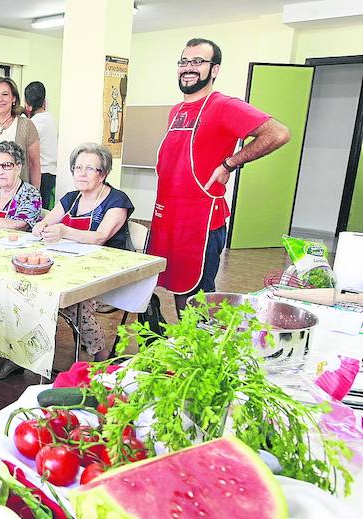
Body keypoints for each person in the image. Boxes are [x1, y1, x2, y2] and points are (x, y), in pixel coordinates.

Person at [148, 38, 290, 313]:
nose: (189, 68)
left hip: (200, 221)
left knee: (195, 298)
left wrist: (229, 164)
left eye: (198, 62)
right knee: (175, 289)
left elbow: (278, 133)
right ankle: (186, 349)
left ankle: (202, 350)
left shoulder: (223, 105)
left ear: (214, 70)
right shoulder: (176, 111)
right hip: (168, 217)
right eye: (184, 62)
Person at [31, 142, 134, 365]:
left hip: (107, 268)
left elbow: (100, 237)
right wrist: (41, 227)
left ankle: (101, 352)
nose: (82, 174)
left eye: (90, 169)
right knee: (33, 287)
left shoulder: (117, 200)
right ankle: (34, 349)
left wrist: (65, 231)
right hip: (70, 263)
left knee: (73, 301)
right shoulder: (71, 198)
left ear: (103, 174)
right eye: (78, 168)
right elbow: (46, 221)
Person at [24, 81, 58, 209]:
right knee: (45, 209)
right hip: (51, 172)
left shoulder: (33, 123)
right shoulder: (49, 118)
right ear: (44, 101)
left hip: (41, 174)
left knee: (37, 210)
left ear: (27, 104)